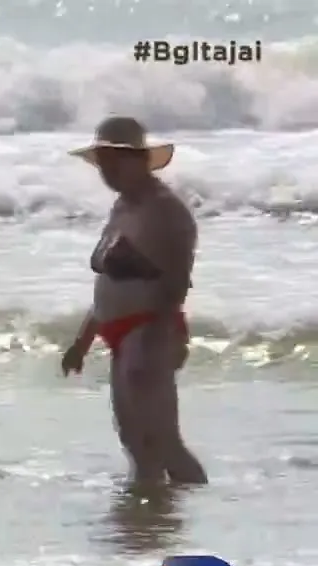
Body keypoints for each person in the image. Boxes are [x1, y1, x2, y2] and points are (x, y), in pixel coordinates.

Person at [60, 116, 208, 487]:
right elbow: (108, 280)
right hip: (119, 332)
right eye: (103, 162)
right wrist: (82, 340)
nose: (107, 170)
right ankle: (150, 521)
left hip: (148, 329)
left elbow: (176, 281)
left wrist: (157, 338)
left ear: (141, 159)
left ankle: (191, 514)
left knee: (163, 442)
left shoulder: (166, 209)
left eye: (116, 160)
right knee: (137, 444)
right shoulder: (123, 208)